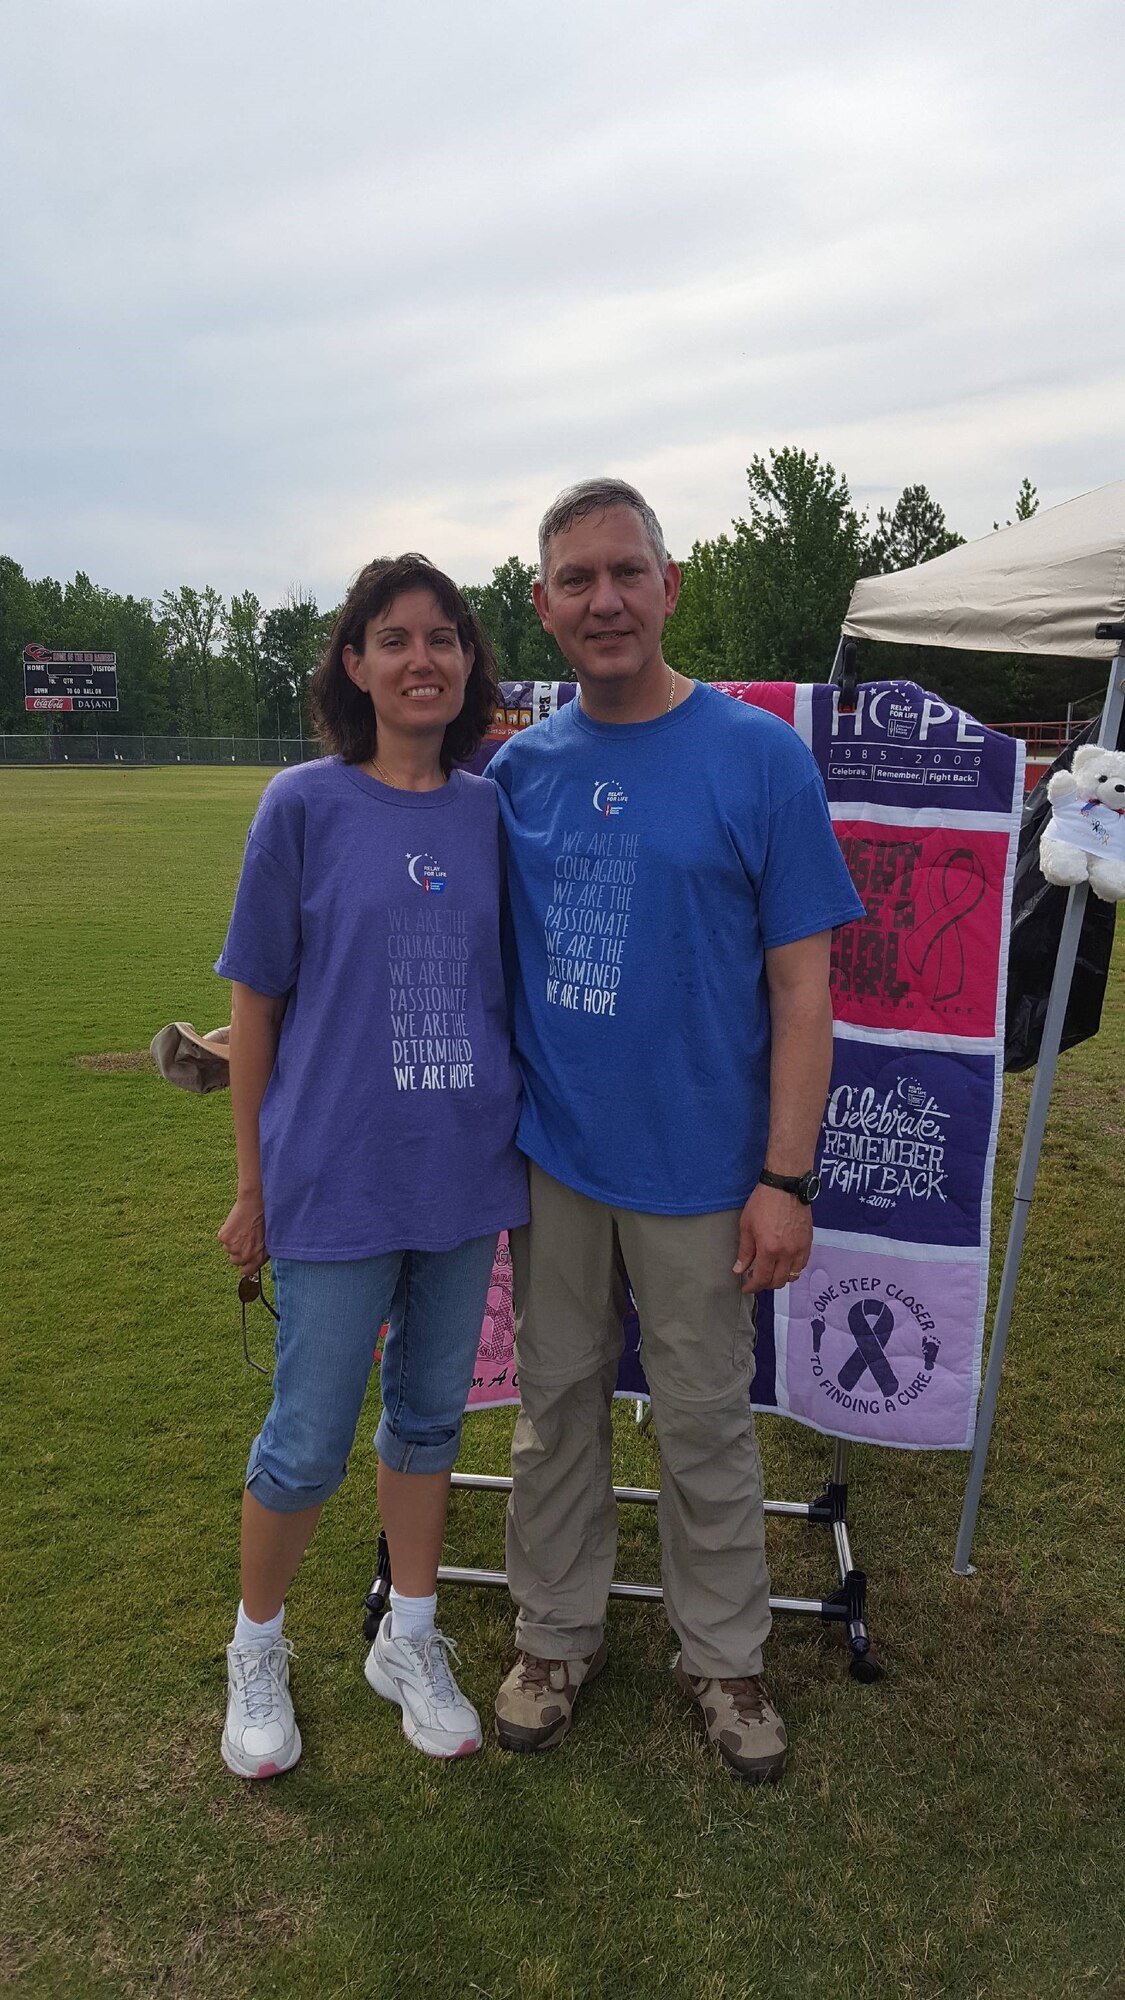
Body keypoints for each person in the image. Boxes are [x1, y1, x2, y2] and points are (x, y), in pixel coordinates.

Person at [486, 479, 864, 1784]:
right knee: (555, 1410)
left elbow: (804, 990)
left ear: (669, 585)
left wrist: (785, 1178)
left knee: (703, 1419)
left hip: (706, 1176)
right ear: (542, 607)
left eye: (623, 572)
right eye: (575, 579)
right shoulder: (519, 771)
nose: (602, 599)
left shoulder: (758, 758)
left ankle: (725, 1660)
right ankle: (553, 1636)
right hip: (558, 1164)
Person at [214, 554, 528, 1777]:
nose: (421, 659)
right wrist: (251, 1186)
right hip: (334, 1182)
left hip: (462, 1176)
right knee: (305, 1437)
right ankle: (257, 1648)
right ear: (355, 662)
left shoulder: (492, 811)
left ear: (468, 663)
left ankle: (409, 1635)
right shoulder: (301, 803)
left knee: (430, 1420)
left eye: (443, 638)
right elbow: (255, 1009)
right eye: (394, 639)